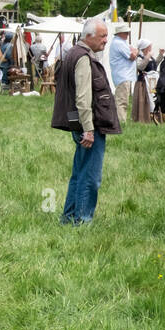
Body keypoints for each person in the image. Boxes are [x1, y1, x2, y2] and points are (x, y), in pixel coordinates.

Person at [51, 19, 117, 226]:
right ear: (88, 36)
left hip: (75, 120)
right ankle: (82, 220)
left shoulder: (73, 52)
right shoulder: (83, 57)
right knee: (90, 176)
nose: (106, 40)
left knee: (79, 172)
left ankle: (69, 217)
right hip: (88, 124)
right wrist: (88, 129)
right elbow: (82, 97)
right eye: (102, 36)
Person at [108, 21, 138, 126]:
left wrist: (134, 51)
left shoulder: (119, 42)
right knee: (122, 101)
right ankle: (121, 122)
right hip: (123, 75)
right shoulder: (119, 43)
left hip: (123, 75)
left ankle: (121, 121)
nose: (127, 34)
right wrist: (136, 51)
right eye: (125, 32)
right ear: (120, 33)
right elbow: (132, 56)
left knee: (123, 100)